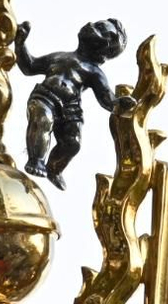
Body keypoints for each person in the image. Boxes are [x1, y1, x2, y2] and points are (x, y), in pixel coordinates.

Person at [16, 18, 136, 189]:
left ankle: (54, 168)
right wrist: (20, 44)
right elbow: (29, 66)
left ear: (104, 46)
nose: (92, 26)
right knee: (42, 121)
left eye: (100, 28)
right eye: (96, 25)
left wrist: (119, 103)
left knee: (73, 143)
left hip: (70, 108)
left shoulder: (94, 72)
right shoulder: (60, 57)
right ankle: (37, 160)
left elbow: (106, 98)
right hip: (45, 97)